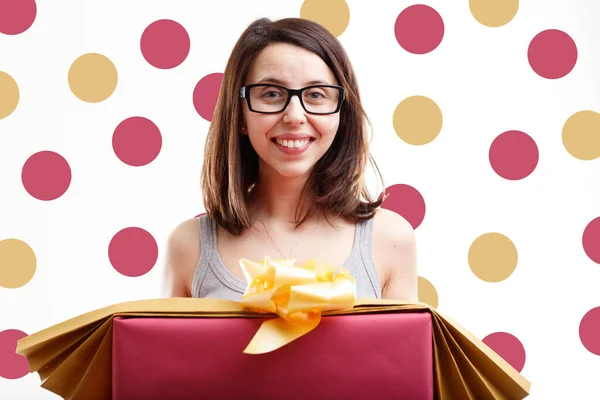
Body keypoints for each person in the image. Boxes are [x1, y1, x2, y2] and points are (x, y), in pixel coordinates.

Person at [162, 17, 417, 302]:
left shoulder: (391, 239)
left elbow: (406, 346)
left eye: (316, 94)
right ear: (239, 114)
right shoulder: (188, 246)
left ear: (341, 114)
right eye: (271, 94)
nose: (295, 116)